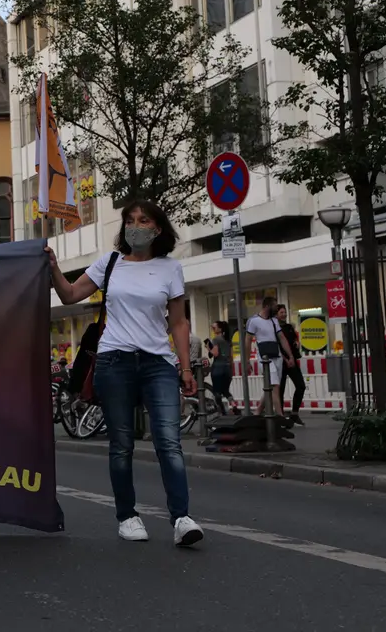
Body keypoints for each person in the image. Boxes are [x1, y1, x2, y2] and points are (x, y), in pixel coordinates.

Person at [45, 200, 203, 548]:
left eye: (143, 220)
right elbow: (70, 295)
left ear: (158, 228)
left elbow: (178, 322)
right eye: (129, 220)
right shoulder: (110, 262)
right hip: (114, 361)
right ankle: (127, 516)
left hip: (158, 364)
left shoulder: (170, 269)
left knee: (169, 442)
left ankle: (182, 518)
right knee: (121, 445)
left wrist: (185, 367)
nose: (135, 226)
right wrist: (54, 268)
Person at [245, 297, 295, 418]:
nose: (276, 309)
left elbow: (281, 338)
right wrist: (246, 361)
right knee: (274, 386)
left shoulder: (274, 321)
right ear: (267, 306)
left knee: (270, 387)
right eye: (274, 306)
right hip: (265, 358)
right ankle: (280, 415)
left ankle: (257, 412)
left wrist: (290, 356)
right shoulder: (254, 321)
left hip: (276, 356)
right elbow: (247, 340)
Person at [276, 304, 305, 425]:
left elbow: (293, 340)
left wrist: (296, 345)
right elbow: (277, 346)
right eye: (281, 312)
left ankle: (294, 413)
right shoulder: (274, 328)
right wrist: (285, 358)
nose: (284, 314)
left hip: (292, 360)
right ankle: (280, 417)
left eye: (285, 312)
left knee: (301, 385)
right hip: (280, 362)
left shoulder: (289, 327)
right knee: (280, 390)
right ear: (276, 314)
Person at [207, 321, 238, 416]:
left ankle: (222, 411)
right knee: (225, 390)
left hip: (218, 368)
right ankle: (233, 405)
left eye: (214, 327)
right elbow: (231, 357)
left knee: (217, 392)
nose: (213, 328)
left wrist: (208, 348)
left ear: (220, 329)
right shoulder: (228, 340)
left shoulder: (216, 339)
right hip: (227, 367)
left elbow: (215, 354)